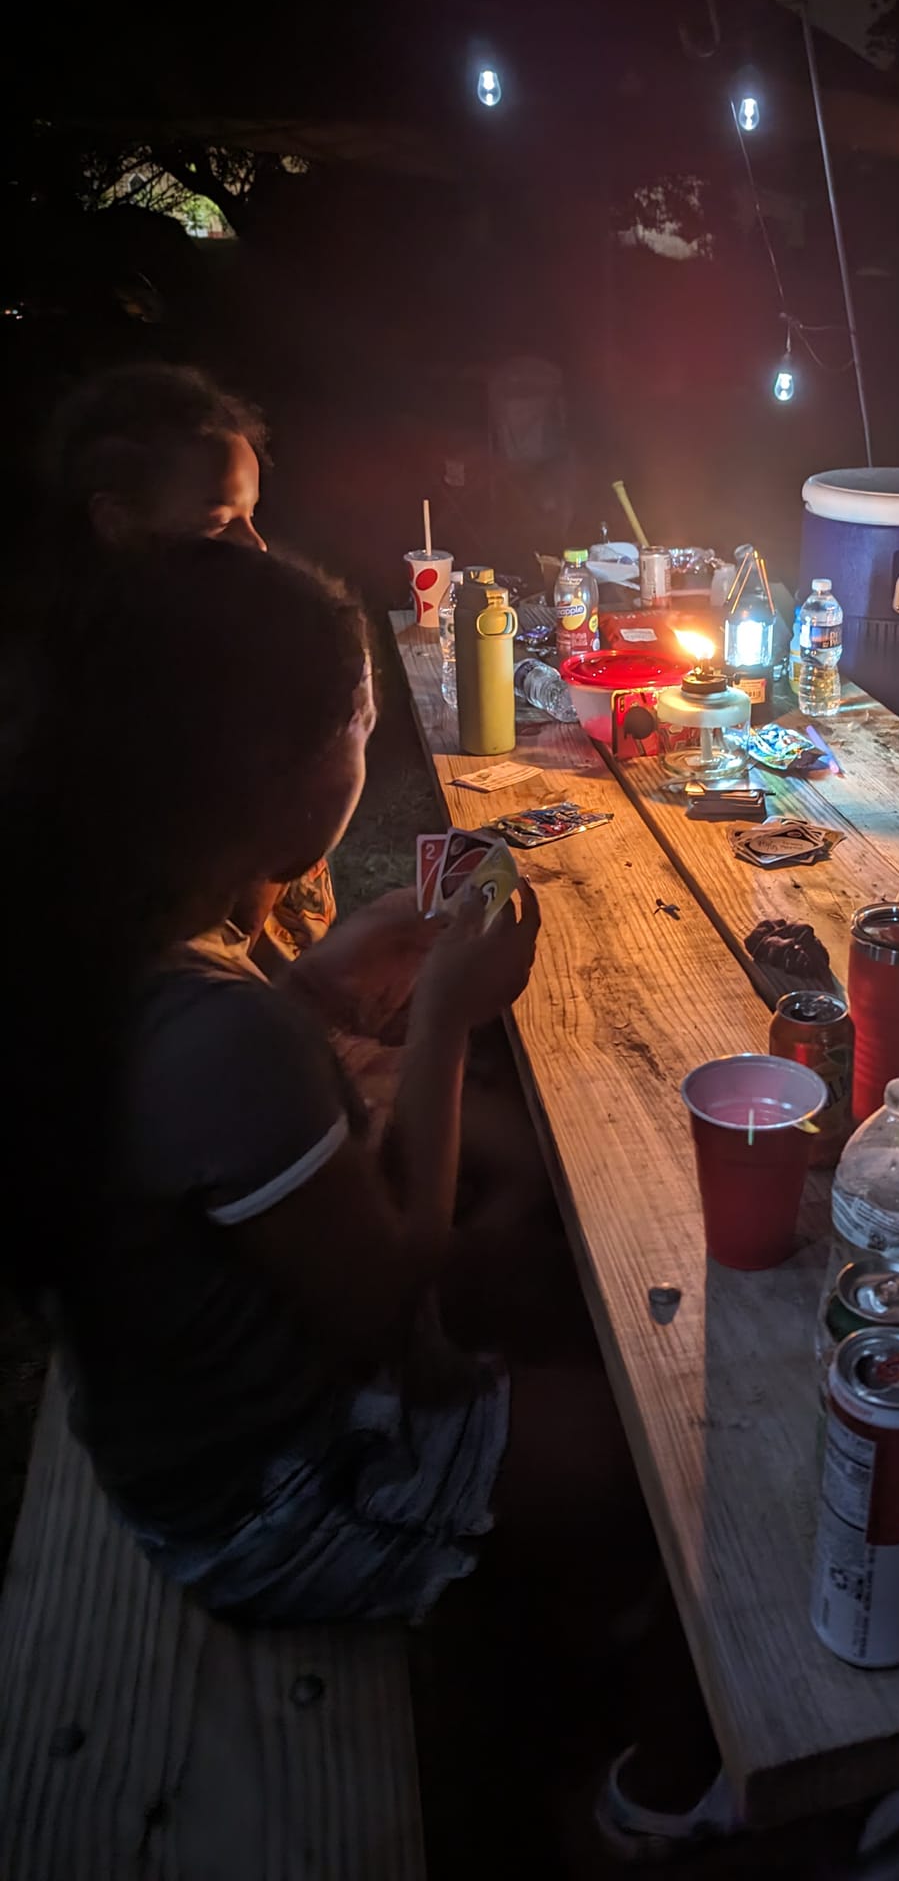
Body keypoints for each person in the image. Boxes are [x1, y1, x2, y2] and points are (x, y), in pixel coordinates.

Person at [2, 540, 586, 1622]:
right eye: (360, 715)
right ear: (276, 766)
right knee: (657, 1455)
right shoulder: (215, 1034)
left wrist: (317, 985)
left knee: (544, 1247)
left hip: (182, 1433)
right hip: (271, 1503)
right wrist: (450, 1015)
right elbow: (389, 1289)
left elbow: (233, 1117)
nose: (368, 733)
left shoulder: (109, 942)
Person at [38, 364, 340, 962]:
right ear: (119, 524)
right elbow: (237, 924)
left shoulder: (207, 635)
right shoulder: (132, 702)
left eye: (254, 516)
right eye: (219, 522)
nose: (255, 547)